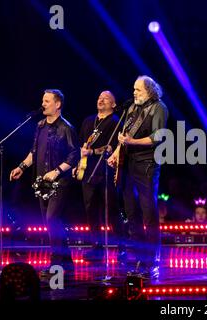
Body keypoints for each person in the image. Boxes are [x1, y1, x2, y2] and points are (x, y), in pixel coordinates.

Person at [10, 89, 79, 275]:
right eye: (43, 100)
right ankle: (67, 263)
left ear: (57, 104)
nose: (43, 104)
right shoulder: (40, 125)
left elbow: (75, 155)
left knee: (52, 219)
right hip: (41, 183)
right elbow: (34, 152)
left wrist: (57, 172)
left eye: (47, 101)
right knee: (52, 223)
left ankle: (56, 265)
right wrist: (21, 167)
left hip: (60, 183)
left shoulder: (66, 128)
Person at [107, 75, 168, 279]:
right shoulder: (132, 109)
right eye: (133, 89)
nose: (134, 93)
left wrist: (132, 142)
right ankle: (139, 257)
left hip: (147, 164)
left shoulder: (158, 107)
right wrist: (116, 153)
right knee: (132, 213)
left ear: (149, 90)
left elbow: (158, 136)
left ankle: (152, 260)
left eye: (138, 90)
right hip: (128, 165)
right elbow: (124, 137)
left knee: (148, 213)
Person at [75, 91, 122, 261]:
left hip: (106, 172)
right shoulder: (88, 121)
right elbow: (81, 146)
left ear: (114, 105)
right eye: (99, 98)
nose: (101, 100)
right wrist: (77, 165)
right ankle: (97, 246)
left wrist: (93, 151)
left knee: (111, 210)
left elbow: (112, 147)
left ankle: (121, 246)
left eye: (106, 99)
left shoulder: (115, 123)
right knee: (91, 211)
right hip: (87, 171)